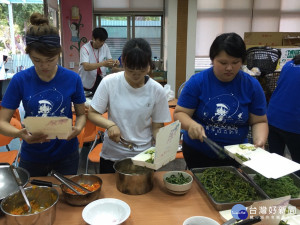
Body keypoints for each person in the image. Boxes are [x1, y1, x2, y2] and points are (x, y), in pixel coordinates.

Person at [0, 13, 86, 177]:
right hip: (33, 155)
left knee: (66, 198)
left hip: (66, 154)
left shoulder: (72, 78)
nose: (44, 65)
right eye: (37, 60)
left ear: (59, 53)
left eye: (50, 59)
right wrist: (20, 134)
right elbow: (2, 122)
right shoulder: (20, 80)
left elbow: (81, 115)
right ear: (29, 55)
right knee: (32, 197)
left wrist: (79, 128)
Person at [174, 32, 268, 169]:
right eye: (223, 63)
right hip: (199, 153)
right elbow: (179, 113)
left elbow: (259, 121)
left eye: (235, 62)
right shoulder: (198, 82)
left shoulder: (251, 86)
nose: (229, 68)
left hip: (237, 155)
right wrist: (191, 125)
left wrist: (259, 141)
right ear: (212, 59)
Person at [87, 38, 171, 173]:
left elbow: (157, 127)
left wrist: (165, 143)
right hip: (113, 155)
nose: (136, 74)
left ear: (149, 64)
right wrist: (110, 125)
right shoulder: (109, 82)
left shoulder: (156, 90)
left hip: (144, 156)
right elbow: (92, 113)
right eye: (131, 69)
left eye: (142, 69)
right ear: (123, 62)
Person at [267, 54, 300, 176]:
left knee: (275, 163)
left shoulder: (288, 64)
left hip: (273, 116)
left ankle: (273, 190)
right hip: (294, 122)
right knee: (298, 167)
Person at [79, 27, 119, 94]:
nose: (102, 43)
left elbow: (109, 61)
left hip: (100, 78)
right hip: (87, 80)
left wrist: (114, 63)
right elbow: (86, 67)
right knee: (87, 102)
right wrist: (103, 63)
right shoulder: (85, 49)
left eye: (104, 41)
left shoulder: (105, 46)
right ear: (93, 39)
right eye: (100, 41)